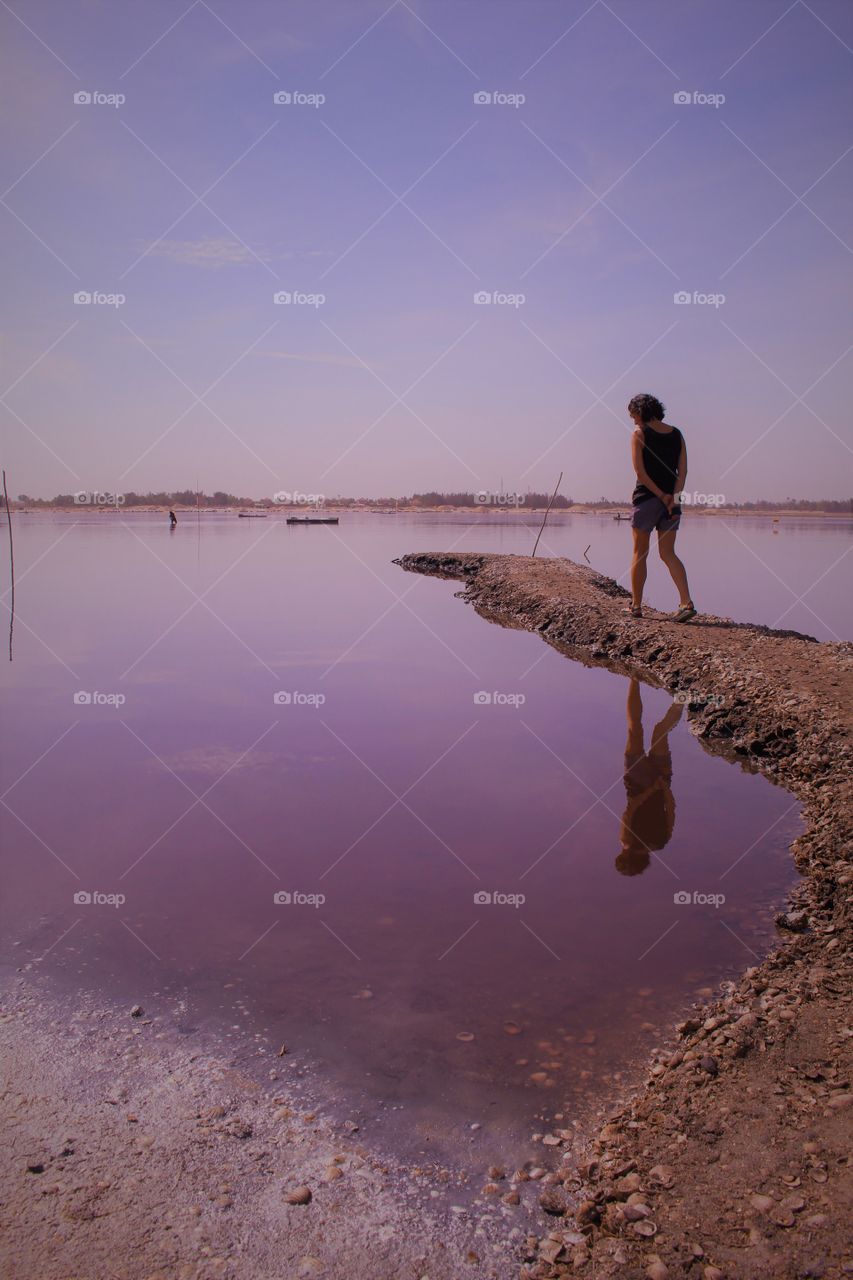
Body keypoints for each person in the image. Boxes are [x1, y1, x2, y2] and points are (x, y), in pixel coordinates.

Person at [626, 393, 696, 622]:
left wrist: (660, 496)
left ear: (641, 410)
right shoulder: (677, 434)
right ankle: (686, 603)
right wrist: (673, 498)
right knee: (668, 553)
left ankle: (636, 606)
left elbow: (640, 473)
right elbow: (682, 471)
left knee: (639, 553)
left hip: (646, 499)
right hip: (672, 502)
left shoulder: (639, 434)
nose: (633, 419)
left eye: (633, 414)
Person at [616, 678, 681, 876]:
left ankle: (683, 697)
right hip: (637, 782)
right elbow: (631, 808)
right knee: (635, 729)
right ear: (626, 856)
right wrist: (654, 788)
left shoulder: (661, 842)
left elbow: (671, 810)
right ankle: (634, 679)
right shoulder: (627, 841)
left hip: (660, 782)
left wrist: (664, 787)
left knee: (660, 731)